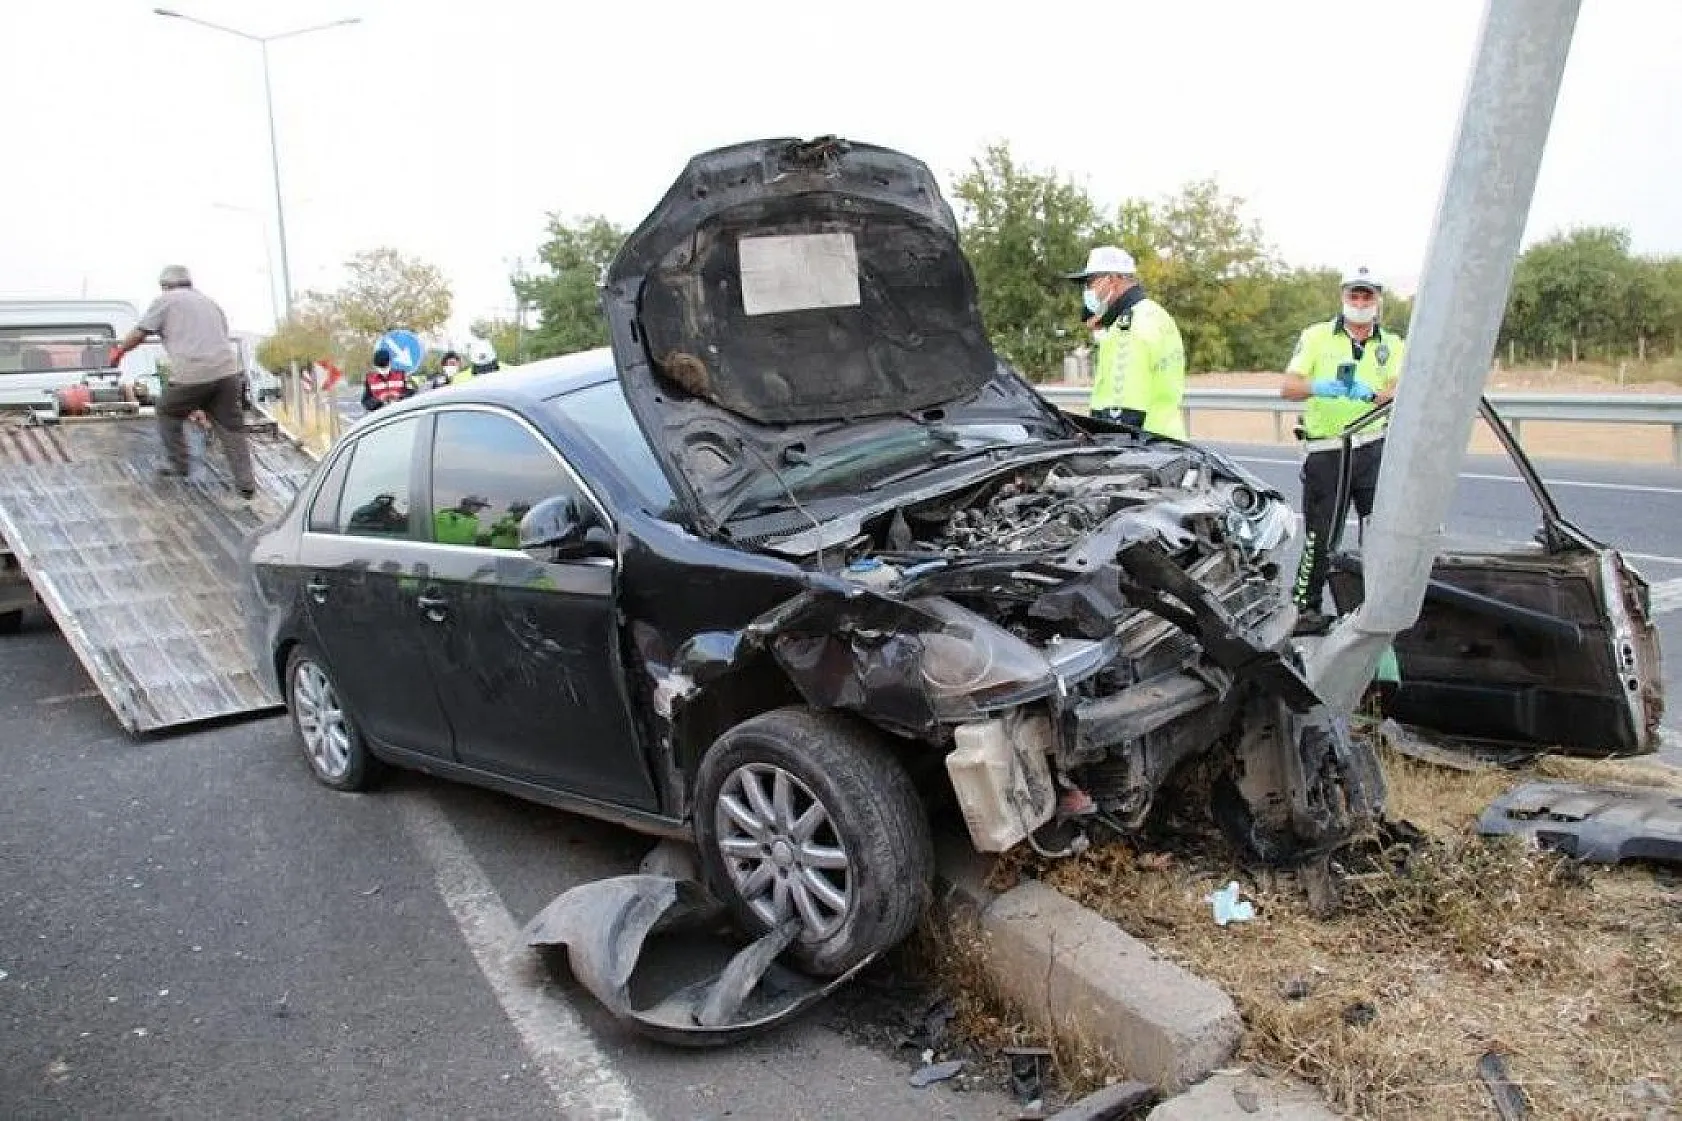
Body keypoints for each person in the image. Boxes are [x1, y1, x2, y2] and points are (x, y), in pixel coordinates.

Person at [1280, 266, 1407, 634]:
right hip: (1328, 449)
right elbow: (1289, 387)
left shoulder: (1393, 344)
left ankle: (1379, 605)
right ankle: (1306, 607)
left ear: (1377, 300)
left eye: (1367, 296)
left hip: (1371, 447)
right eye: (1355, 295)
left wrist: (1388, 391)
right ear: (1343, 296)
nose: (1361, 302)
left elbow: (1402, 382)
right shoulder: (1317, 337)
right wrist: (1322, 386)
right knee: (1322, 533)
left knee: (1380, 532)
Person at [109, 265, 256, 499]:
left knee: (167, 410)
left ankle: (179, 464)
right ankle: (246, 484)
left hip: (192, 373)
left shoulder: (166, 300)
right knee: (231, 429)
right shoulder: (209, 302)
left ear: (165, 285)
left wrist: (119, 352)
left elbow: (141, 331)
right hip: (228, 373)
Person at [1065, 246, 1186, 440]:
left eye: (1090, 282)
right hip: (1168, 440)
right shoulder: (1156, 314)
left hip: (1143, 452)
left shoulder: (1126, 330)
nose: (1088, 291)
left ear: (1112, 279)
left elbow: (1122, 414)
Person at [361, 347, 410, 412]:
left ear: (390, 363)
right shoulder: (370, 379)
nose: (383, 370)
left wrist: (399, 397)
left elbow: (411, 393)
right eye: (380, 368)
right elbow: (366, 402)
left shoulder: (401, 375)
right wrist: (379, 401)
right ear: (375, 366)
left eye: (385, 367)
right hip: (381, 416)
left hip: (400, 413)